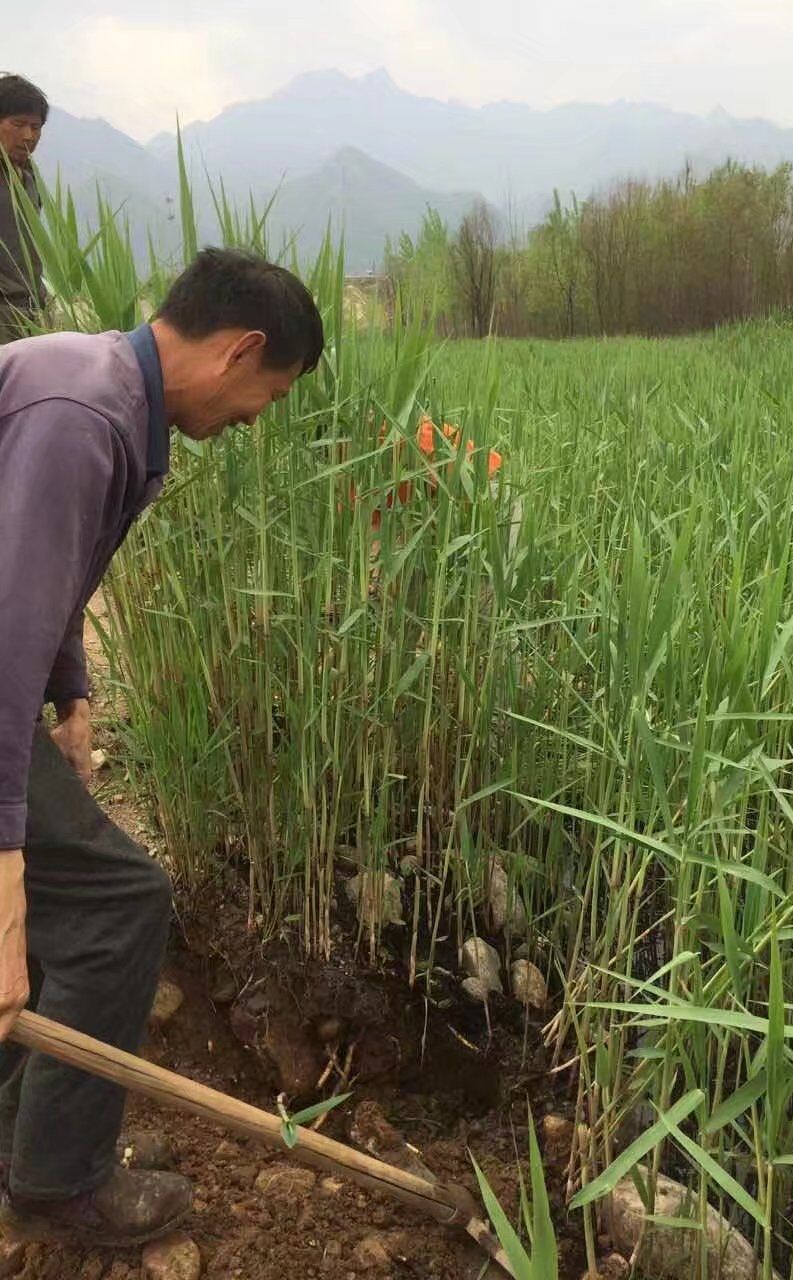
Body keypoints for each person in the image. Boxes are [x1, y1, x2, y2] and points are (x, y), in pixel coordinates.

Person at [0, 247, 324, 1246]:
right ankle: (59, 1185)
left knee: (84, 890)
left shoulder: (100, 387)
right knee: (115, 898)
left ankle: (21, 1134)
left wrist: (74, 689)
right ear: (242, 350)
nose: (252, 420)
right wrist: (6, 894)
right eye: (266, 396)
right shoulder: (85, 420)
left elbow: (34, 577)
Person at [0, 75, 47, 344]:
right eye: (17, 125)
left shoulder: (28, 178)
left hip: (31, 311)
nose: (28, 136)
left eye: (36, 127)